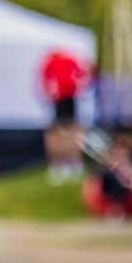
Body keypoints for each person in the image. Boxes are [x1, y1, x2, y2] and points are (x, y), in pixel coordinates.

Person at [39, 48, 89, 182]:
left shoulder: (51, 61)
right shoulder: (69, 59)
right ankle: (70, 165)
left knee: (62, 132)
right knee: (67, 131)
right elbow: (83, 74)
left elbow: (44, 81)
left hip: (61, 98)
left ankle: (63, 165)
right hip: (66, 98)